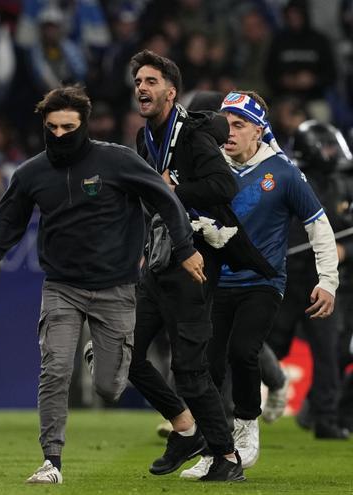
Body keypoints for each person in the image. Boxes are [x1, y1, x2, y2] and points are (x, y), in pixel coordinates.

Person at [0, 85, 201, 485]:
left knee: (109, 387)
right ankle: (52, 461)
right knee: (54, 371)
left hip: (116, 288)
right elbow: (5, 226)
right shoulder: (32, 173)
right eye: (53, 127)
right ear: (44, 126)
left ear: (83, 123)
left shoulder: (116, 160)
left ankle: (98, 356)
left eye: (69, 126)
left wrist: (184, 247)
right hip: (61, 287)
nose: (61, 134)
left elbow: (164, 198)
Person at [125, 50, 275, 482]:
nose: (141, 88)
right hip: (158, 259)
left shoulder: (190, 135)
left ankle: (227, 458)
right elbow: (153, 197)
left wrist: (177, 186)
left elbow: (223, 185)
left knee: (189, 369)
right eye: (138, 81)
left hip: (194, 261)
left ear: (171, 92)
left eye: (151, 81)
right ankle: (186, 429)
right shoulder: (143, 137)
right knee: (126, 355)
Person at [180, 91, 339, 479]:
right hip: (217, 279)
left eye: (238, 125)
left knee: (243, 351)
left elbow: (320, 227)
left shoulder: (283, 172)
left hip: (264, 281)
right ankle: (217, 447)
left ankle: (247, 428)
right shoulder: (210, 166)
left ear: (258, 131)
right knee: (209, 365)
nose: (228, 132)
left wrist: (328, 282)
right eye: (225, 124)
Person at [268, 120, 353, 440]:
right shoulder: (289, 178)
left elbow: (348, 232)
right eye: (326, 146)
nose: (331, 154)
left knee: (328, 350)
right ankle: (231, 407)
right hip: (288, 277)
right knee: (269, 345)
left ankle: (326, 418)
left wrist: (344, 250)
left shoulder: (343, 182)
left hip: (323, 279)